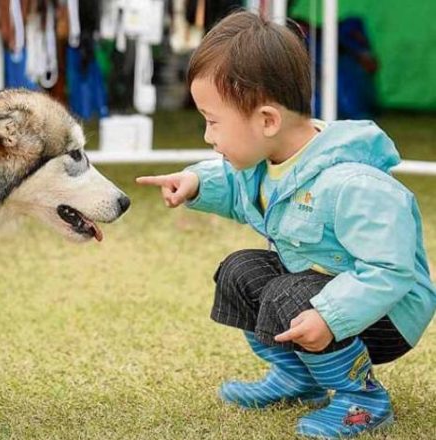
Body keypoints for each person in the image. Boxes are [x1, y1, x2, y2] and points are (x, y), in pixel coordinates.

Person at [136, 11, 435, 439]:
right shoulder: (269, 162)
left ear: (268, 120)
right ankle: (302, 379)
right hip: (318, 294)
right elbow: (240, 188)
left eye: (213, 121)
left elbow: (391, 270)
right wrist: (196, 182)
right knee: (240, 271)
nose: (207, 136)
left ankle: (363, 399)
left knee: (285, 294)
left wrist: (331, 316)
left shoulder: (353, 184)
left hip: (386, 312)